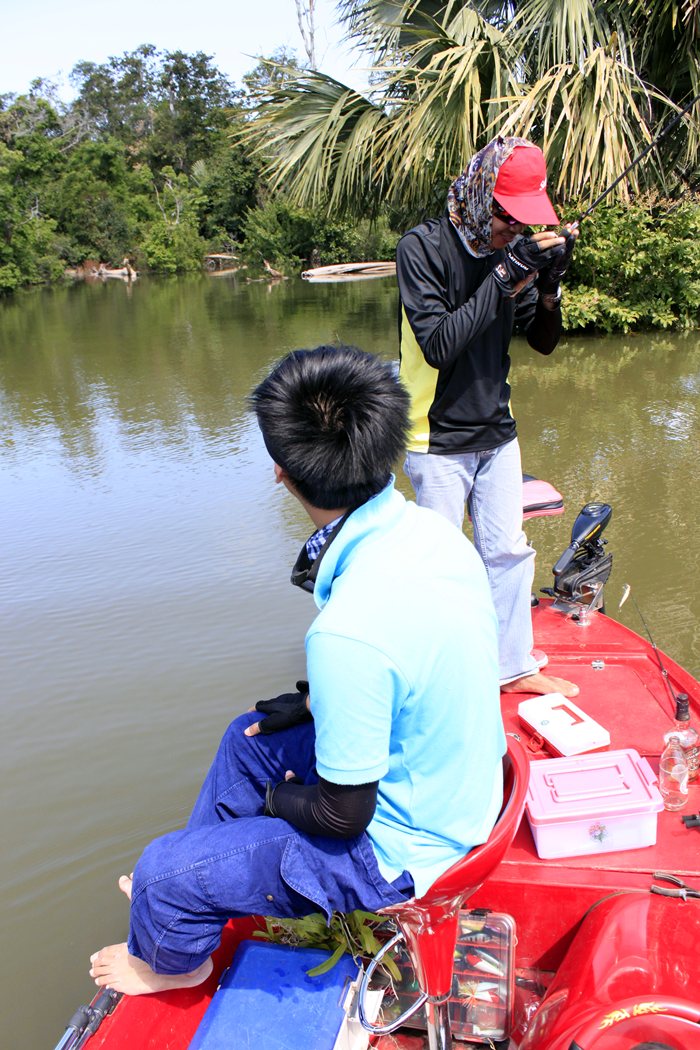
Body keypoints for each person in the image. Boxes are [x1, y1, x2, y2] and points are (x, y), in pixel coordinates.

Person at [89, 344, 506, 995]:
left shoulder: (347, 631)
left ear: (281, 473)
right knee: (245, 736)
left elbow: (343, 818)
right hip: (457, 787)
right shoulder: (432, 535)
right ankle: (201, 885)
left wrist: (273, 803)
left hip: (405, 854)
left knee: (162, 871)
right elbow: (412, 665)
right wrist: (318, 707)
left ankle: (176, 951)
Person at [396, 135, 580, 698]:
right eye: (509, 218)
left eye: (525, 223)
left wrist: (547, 286)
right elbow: (439, 344)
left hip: (496, 432)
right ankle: (432, 676)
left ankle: (513, 667)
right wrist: (504, 277)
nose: (516, 231)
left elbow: (543, 343)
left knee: (507, 552)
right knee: (436, 567)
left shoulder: (514, 252)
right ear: (479, 196)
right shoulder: (422, 248)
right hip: (435, 436)